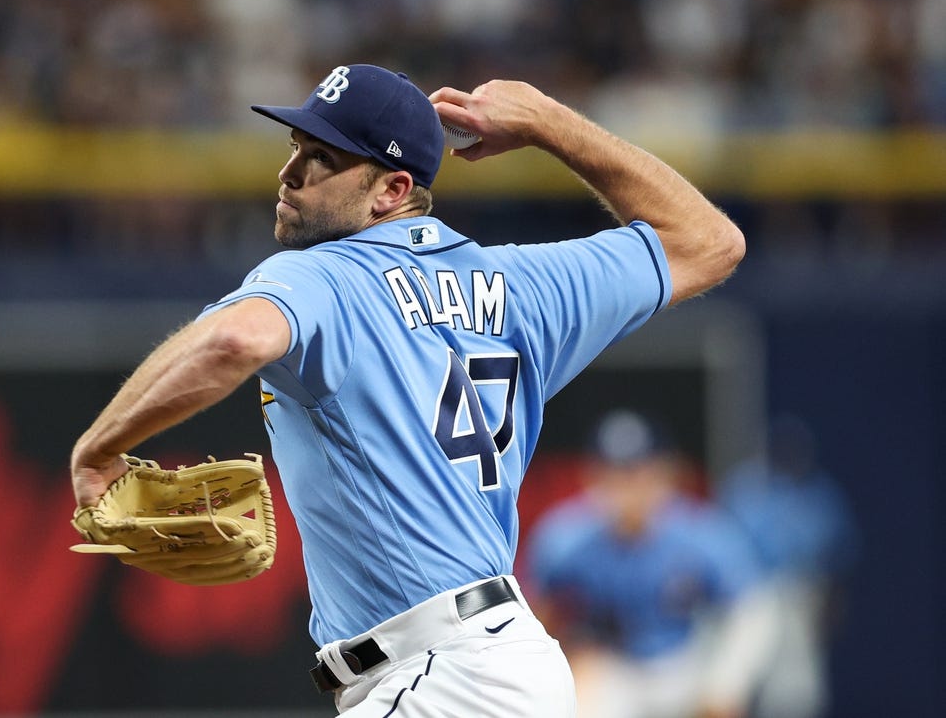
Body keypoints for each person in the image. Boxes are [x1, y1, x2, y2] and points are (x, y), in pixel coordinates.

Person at [69, 63, 745, 716]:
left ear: (391, 190)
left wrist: (101, 449)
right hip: (500, 665)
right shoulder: (524, 286)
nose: (290, 172)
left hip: (439, 675)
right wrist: (548, 124)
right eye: (295, 145)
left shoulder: (327, 277)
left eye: (323, 158)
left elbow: (232, 340)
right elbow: (708, 241)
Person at [524, 410, 779, 718]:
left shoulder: (698, 530)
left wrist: (725, 687)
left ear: (665, 472)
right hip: (615, 666)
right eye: (614, 473)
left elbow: (754, 609)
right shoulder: (565, 535)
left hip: (684, 660)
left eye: (638, 471)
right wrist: (560, 664)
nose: (628, 486)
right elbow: (531, 614)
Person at [717, 414, 858, 718]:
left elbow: (837, 555)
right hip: (750, 595)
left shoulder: (820, 493)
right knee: (735, 680)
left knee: (795, 691)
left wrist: (831, 601)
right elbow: (723, 548)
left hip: (800, 595)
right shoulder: (744, 487)